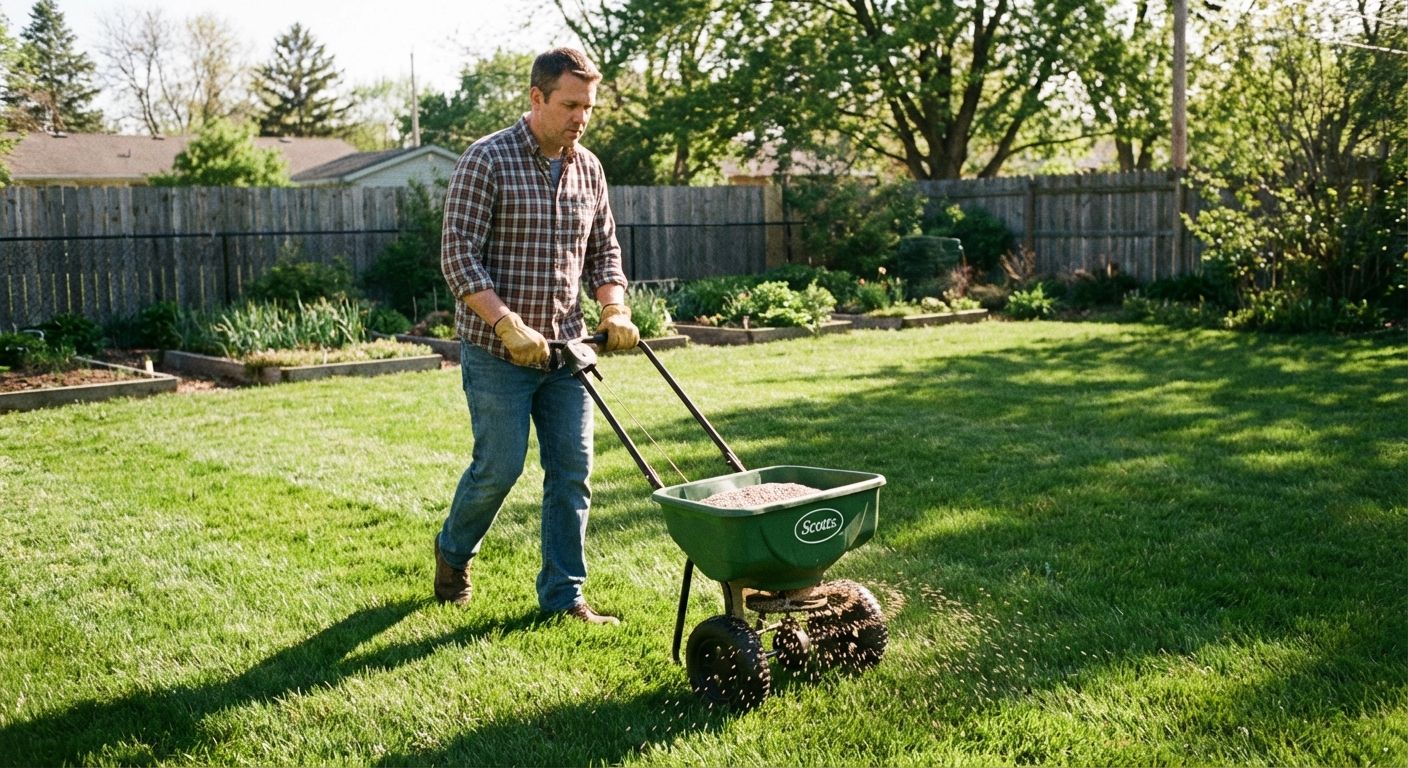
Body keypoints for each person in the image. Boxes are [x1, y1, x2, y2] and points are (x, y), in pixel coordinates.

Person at [434, 47, 639, 624]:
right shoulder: (487, 160)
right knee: (498, 467)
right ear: (536, 98)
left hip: (568, 349)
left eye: (589, 107)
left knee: (572, 472)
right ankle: (453, 551)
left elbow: (603, 252)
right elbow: (458, 259)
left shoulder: (589, 168)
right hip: (497, 350)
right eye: (571, 105)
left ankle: (563, 597)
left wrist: (614, 310)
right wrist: (507, 323)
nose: (581, 117)